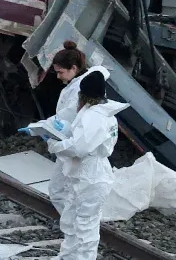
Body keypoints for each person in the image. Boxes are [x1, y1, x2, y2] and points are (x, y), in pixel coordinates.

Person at [19, 40, 110, 214]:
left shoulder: (79, 91)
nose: (58, 76)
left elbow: (66, 118)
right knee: (65, 191)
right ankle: (70, 223)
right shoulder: (84, 84)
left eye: (60, 72)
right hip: (78, 151)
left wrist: (42, 130)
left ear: (74, 68)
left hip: (74, 149)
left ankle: (70, 223)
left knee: (60, 190)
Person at [46, 70, 127, 260]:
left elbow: (79, 147)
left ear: (83, 95)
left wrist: (55, 144)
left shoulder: (94, 116)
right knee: (71, 218)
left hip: (92, 176)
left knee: (85, 226)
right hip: (86, 174)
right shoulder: (104, 113)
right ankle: (67, 256)